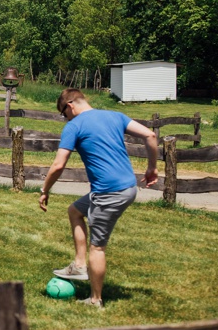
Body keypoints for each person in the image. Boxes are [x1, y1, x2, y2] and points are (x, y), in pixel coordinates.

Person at [39, 88, 158, 308]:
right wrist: (152, 168)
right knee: (75, 210)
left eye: (63, 114)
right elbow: (150, 135)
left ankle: (95, 300)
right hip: (127, 187)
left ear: (70, 106)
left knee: (98, 247)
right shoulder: (115, 116)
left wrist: (45, 190)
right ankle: (79, 265)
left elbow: (58, 165)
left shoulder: (74, 126)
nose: (65, 118)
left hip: (108, 193)